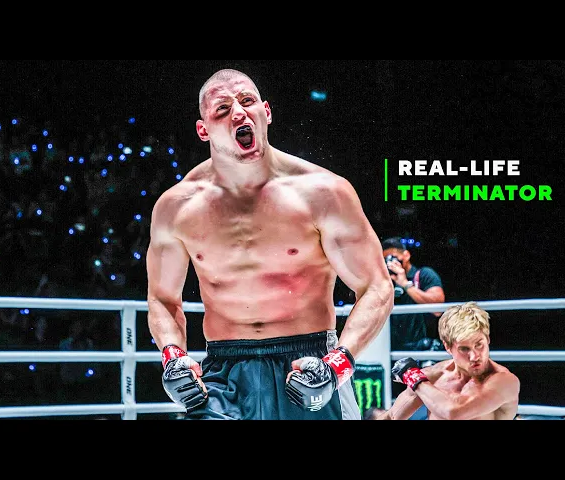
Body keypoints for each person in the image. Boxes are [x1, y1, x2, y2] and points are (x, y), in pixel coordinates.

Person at [145, 68, 394, 420]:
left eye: (247, 101)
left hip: (308, 362)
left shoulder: (324, 193)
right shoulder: (177, 207)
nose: (238, 112)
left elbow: (377, 287)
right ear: (203, 130)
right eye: (222, 109)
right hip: (223, 371)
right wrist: (173, 356)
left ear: (266, 112)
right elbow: (162, 298)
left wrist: (338, 364)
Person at [368, 301, 520, 420]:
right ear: (448, 347)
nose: (474, 356)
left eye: (479, 345)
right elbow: (392, 416)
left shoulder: (504, 381)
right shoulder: (433, 376)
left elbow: (454, 412)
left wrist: (412, 377)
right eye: (464, 349)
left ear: (488, 339)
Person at [381, 236, 445, 351]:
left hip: (422, 348)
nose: (389, 263)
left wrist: (405, 284)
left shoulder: (423, 275)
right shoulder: (384, 282)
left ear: (406, 255)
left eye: (393, 257)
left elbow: (438, 309)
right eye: (385, 260)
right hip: (393, 349)